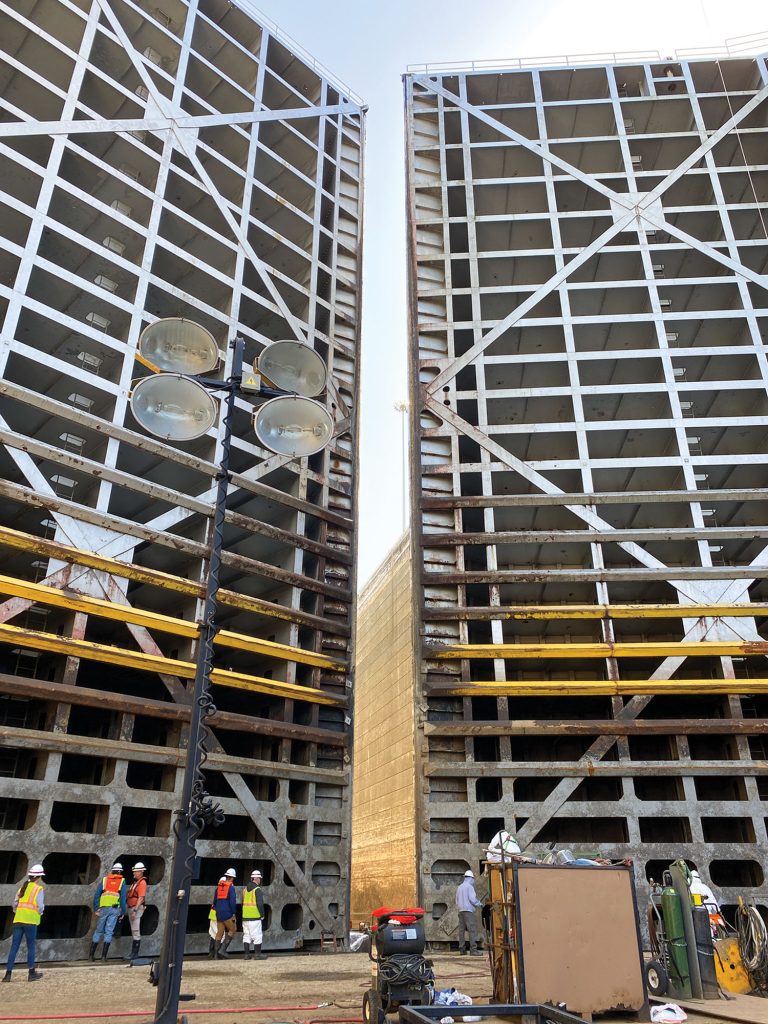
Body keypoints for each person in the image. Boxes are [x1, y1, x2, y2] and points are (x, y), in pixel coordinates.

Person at [2, 863, 45, 982]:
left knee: (14, 947)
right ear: (39, 877)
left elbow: (14, 904)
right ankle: (31, 973)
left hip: (18, 920)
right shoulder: (38, 889)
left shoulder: (22, 888)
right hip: (30, 921)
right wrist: (39, 913)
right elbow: (40, 906)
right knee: (31, 947)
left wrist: (18, 912)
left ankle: (8, 975)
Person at [90, 862, 127, 961]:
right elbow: (123, 899)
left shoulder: (105, 880)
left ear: (112, 870)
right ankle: (103, 957)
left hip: (103, 909)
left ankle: (91, 956)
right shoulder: (122, 881)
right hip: (115, 909)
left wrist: (96, 908)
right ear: (120, 871)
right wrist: (123, 912)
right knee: (109, 932)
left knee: (98, 930)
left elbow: (97, 895)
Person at [455, 869, 483, 956]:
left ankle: (462, 949)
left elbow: (456, 900)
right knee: (472, 930)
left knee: (461, 931)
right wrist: (479, 904)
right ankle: (473, 950)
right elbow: (472, 899)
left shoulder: (459, 887)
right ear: (471, 878)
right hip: (468, 911)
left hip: (461, 911)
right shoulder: (469, 887)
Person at [212, 868, 237, 959]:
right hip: (227, 913)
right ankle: (222, 950)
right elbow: (232, 901)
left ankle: (215, 955)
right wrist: (233, 913)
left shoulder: (219, 887)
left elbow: (214, 901)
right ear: (232, 878)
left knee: (220, 932)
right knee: (233, 929)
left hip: (218, 912)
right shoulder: (231, 887)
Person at [241, 870, 266, 961]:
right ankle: (258, 955)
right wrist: (262, 915)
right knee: (257, 936)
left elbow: (243, 903)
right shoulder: (257, 890)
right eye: (259, 878)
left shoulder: (245, 890)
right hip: (255, 917)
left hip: (245, 917)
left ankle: (246, 955)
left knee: (246, 936)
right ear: (256, 878)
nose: (260, 880)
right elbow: (260, 904)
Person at [126, 862, 148, 960]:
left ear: (141, 872)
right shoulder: (136, 882)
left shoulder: (142, 883)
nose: (134, 873)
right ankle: (133, 954)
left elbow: (141, 898)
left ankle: (134, 954)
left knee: (135, 930)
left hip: (136, 908)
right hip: (132, 908)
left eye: (135, 871)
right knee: (134, 930)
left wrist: (135, 910)